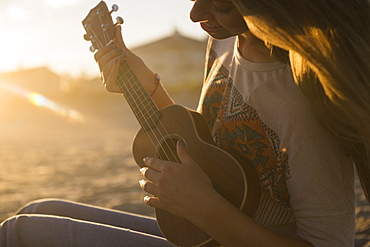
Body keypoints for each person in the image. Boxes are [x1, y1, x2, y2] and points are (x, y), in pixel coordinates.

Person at [0, 0, 367, 246]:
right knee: (35, 209)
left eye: (221, 5)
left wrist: (204, 207)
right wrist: (148, 86)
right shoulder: (226, 42)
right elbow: (211, 150)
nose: (195, 14)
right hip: (209, 230)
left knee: (19, 232)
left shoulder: (309, 100)